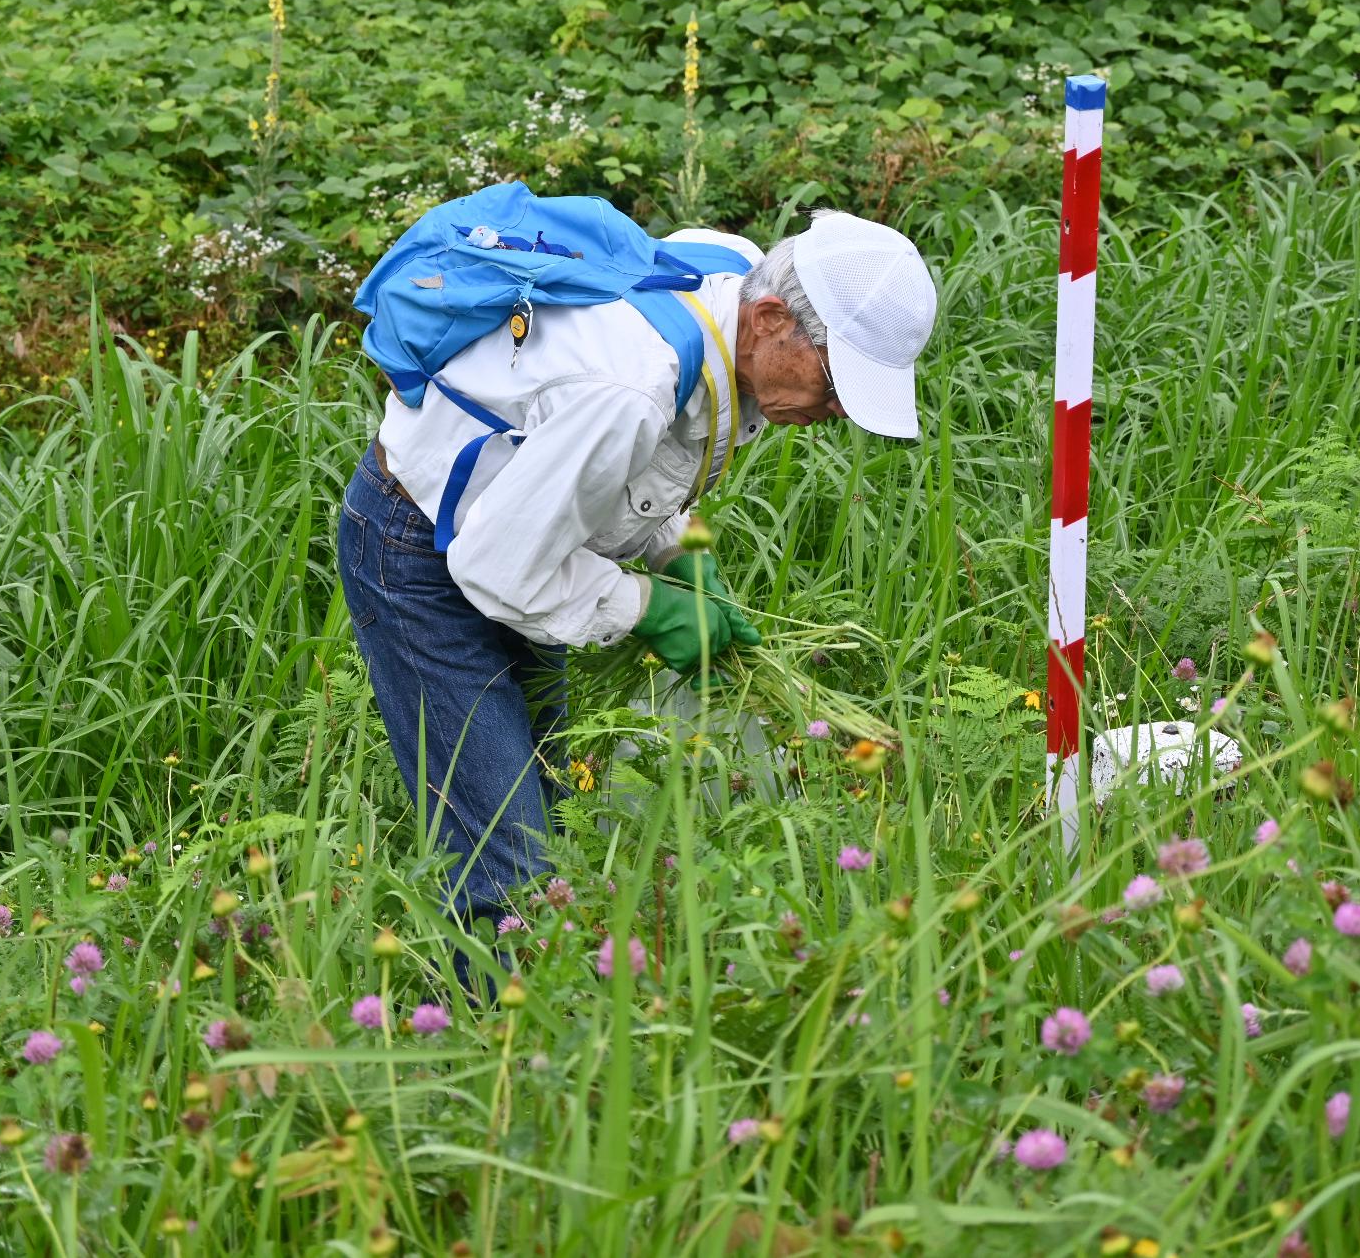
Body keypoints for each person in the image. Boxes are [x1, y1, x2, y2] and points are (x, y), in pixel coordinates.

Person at [335, 206, 937, 974]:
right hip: (419, 553)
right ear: (773, 317)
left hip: (535, 538)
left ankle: (548, 1030)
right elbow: (494, 565)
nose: (841, 411)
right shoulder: (630, 388)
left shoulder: (725, 276)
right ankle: (494, 1061)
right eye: (837, 380)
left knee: (549, 805)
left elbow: (626, 465)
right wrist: (649, 607)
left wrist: (676, 550)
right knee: (509, 866)